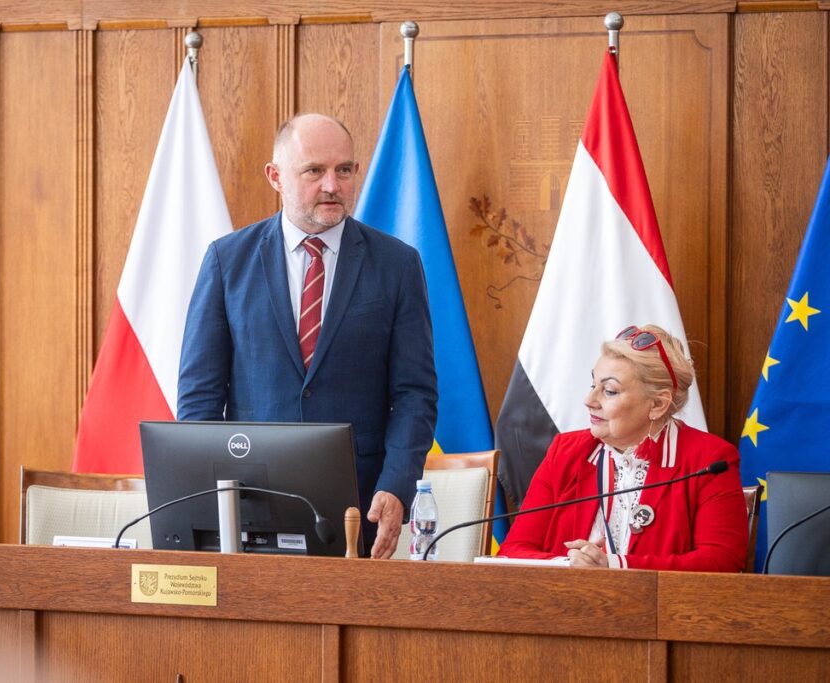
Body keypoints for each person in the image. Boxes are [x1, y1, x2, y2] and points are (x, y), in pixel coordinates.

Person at [178, 113, 438, 558]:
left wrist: (396, 486)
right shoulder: (227, 262)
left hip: (361, 512)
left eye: (344, 170)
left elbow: (415, 394)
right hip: (248, 510)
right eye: (314, 171)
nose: (332, 185)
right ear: (276, 177)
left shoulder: (397, 265)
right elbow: (199, 399)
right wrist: (215, 504)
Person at [498, 325, 748, 571]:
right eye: (592, 385)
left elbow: (721, 560)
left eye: (609, 391)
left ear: (658, 404)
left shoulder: (709, 460)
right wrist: (569, 565)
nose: (589, 401)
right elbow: (513, 549)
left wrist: (615, 565)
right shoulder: (566, 451)